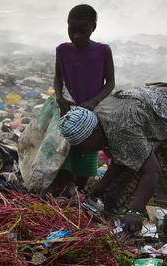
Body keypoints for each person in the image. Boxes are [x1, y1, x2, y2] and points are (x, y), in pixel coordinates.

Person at [58, 85, 167, 233]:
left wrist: (136, 212)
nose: (86, 150)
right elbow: (121, 156)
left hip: (159, 110)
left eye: (86, 144)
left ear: (95, 132)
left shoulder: (122, 127)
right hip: (150, 107)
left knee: (153, 176)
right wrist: (97, 190)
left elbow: (152, 172)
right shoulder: (99, 119)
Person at [52, 4, 115, 194]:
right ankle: (63, 188)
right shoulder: (62, 50)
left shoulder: (103, 50)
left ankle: (80, 189)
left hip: (91, 112)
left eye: (83, 30)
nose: (77, 35)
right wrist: (59, 97)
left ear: (93, 27)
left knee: (88, 150)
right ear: (67, 26)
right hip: (68, 108)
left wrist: (94, 101)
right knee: (63, 151)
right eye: (72, 30)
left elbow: (110, 82)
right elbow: (58, 77)